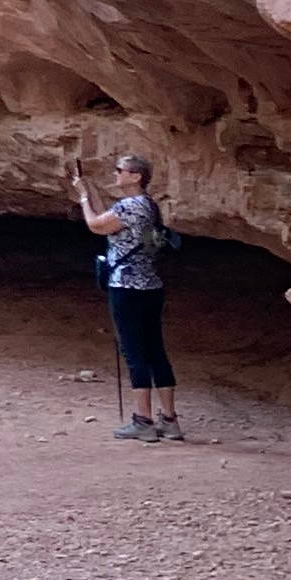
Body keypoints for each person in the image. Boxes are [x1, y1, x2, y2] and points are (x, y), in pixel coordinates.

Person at [77, 150, 182, 439]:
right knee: (155, 351)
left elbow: (95, 225)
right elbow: (106, 220)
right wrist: (90, 189)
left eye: (119, 170)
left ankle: (143, 421)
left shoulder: (129, 206)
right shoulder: (146, 205)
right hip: (150, 286)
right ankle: (169, 420)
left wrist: (83, 199)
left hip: (126, 288)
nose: (116, 174)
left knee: (134, 353)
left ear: (135, 176)